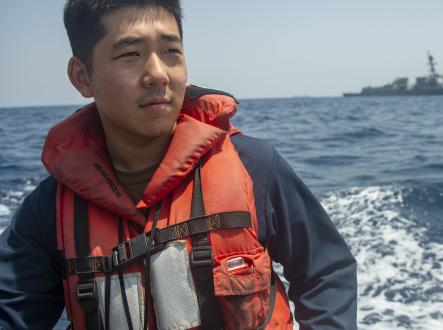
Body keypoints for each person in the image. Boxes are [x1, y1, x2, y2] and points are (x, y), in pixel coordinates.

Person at [0, 0, 357, 329]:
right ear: (82, 76)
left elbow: (326, 270)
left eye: (171, 51)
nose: (158, 73)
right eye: (130, 54)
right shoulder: (49, 212)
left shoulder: (254, 167)